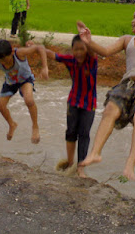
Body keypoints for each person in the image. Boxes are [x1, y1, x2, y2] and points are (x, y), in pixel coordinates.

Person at [78, 5, 135, 181]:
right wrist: (89, 42)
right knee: (110, 110)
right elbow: (105, 52)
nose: (132, 20)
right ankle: (95, 153)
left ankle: (130, 163)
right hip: (128, 84)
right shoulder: (127, 40)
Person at [45, 27, 97, 178]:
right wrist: (36, 48)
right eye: (76, 49)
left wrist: (88, 37)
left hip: (89, 104)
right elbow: (52, 55)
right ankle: (69, 162)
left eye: (82, 49)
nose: (79, 52)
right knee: (71, 132)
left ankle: (80, 167)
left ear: (87, 50)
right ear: (72, 50)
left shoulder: (92, 61)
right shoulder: (70, 60)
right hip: (73, 102)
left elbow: (93, 51)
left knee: (84, 134)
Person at [0, 39, 49, 144]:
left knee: (29, 100)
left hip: (25, 80)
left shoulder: (19, 53)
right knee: (0, 106)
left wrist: (45, 67)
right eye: (0, 61)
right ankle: (12, 124)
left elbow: (40, 48)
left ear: (11, 52)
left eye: (6, 60)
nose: (4, 63)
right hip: (11, 82)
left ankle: (35, 127)